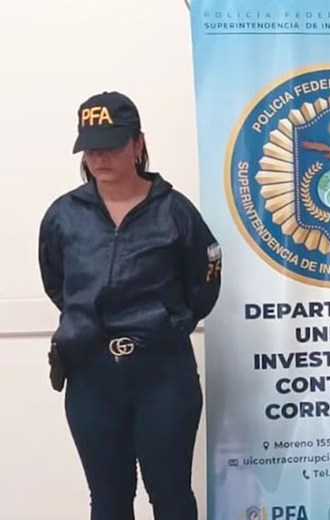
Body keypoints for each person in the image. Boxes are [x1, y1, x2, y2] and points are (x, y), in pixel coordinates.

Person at [38, 91, 222, 520]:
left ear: (138, 143)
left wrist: (166, 323)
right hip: (91, 376)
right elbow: (57, 284)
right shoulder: (63, 216)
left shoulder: (175, 212)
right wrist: (90, 324)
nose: (100, 157)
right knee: (108, 499)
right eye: (91, 148)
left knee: (172, 497)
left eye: (112, 145)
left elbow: (204, 283)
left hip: (162, 376)